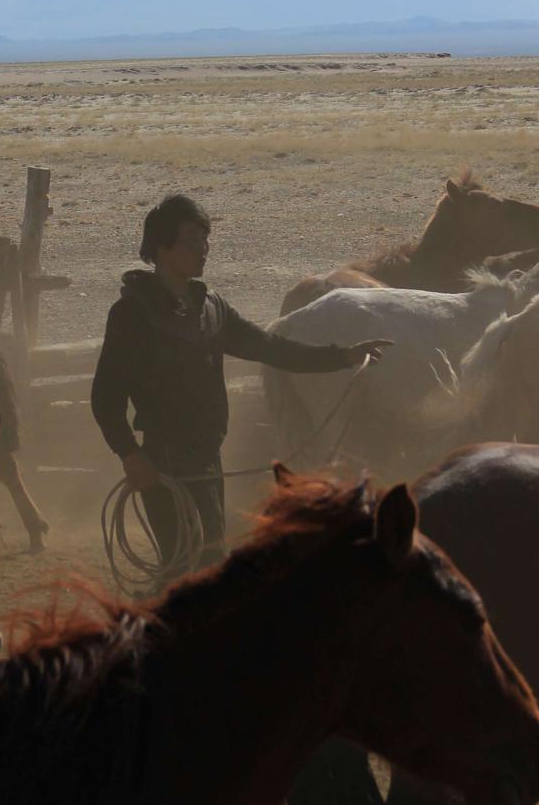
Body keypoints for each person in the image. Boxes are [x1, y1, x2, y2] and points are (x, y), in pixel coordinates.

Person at [91, 194, 387, 573]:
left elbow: (270, 348)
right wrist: (130, 455)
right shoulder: (133, 314)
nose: (203, 249)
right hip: (163, 464)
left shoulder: (210, 307)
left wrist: (341, 357)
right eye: (192, 241)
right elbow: (106, 397)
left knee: (208, 559)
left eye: (205, 240)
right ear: (162, 248)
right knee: (186, 566)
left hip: (207, 458)